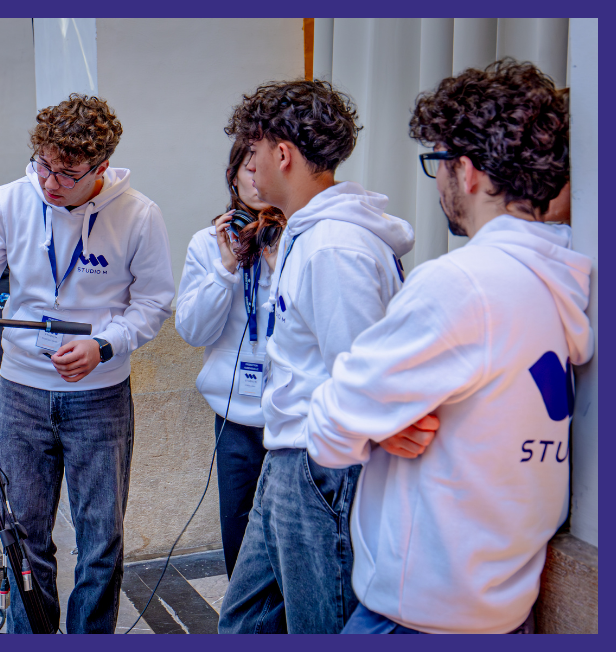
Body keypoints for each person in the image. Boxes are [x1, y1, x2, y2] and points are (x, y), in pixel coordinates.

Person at [304, 59, 591, 634]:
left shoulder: (461, 284)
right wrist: (383, 423)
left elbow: (330, 428)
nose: (438, 183)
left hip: (422, 612)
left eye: (439, 163)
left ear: (469, 170)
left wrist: (376, 425)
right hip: (506, 603)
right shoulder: (565, 282)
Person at [0, 93, 175, 634]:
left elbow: (153, 303)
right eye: (43, 165)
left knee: (100, 538)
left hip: (100, 396)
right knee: (23, 535)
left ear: (101, 168)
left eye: (68, 174)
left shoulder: (138, 214)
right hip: (21, 393)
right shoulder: (10, 200)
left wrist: (104, 345)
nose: (51, 182)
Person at [217, 79, 431, 634]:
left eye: (254, 152)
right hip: (288, 455)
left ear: (283, 154)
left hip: (319, 464)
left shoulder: (335, 246)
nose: (249, 166)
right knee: (243, 622)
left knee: (321, 624)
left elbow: (359, 375)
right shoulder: (307, 234)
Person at [175, 140, 286, 578]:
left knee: (288, 535)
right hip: (233, 415)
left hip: (290, 411)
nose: (258, 180)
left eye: (266, 169)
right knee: (238, 533)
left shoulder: (298, 242)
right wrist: (224, 270)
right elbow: (192, 332)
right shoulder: (207, 245)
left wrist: (277, 269)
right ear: (233, 177)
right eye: (248, 170)